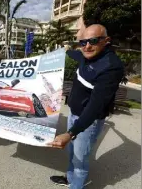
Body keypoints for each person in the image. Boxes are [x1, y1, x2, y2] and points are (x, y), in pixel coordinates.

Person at [47, 24, 124, 189]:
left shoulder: (111, 67)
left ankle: (77, 186)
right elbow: (73, 53)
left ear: (106, 41)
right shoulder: (85, 54)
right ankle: (69, 179)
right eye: (83, 42)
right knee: (72, 154)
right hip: (74, 114)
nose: (87, 46)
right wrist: (64, 50)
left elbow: (95, 107)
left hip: (89, 121)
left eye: (93, 41)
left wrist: (70, 133)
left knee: (80, 160)